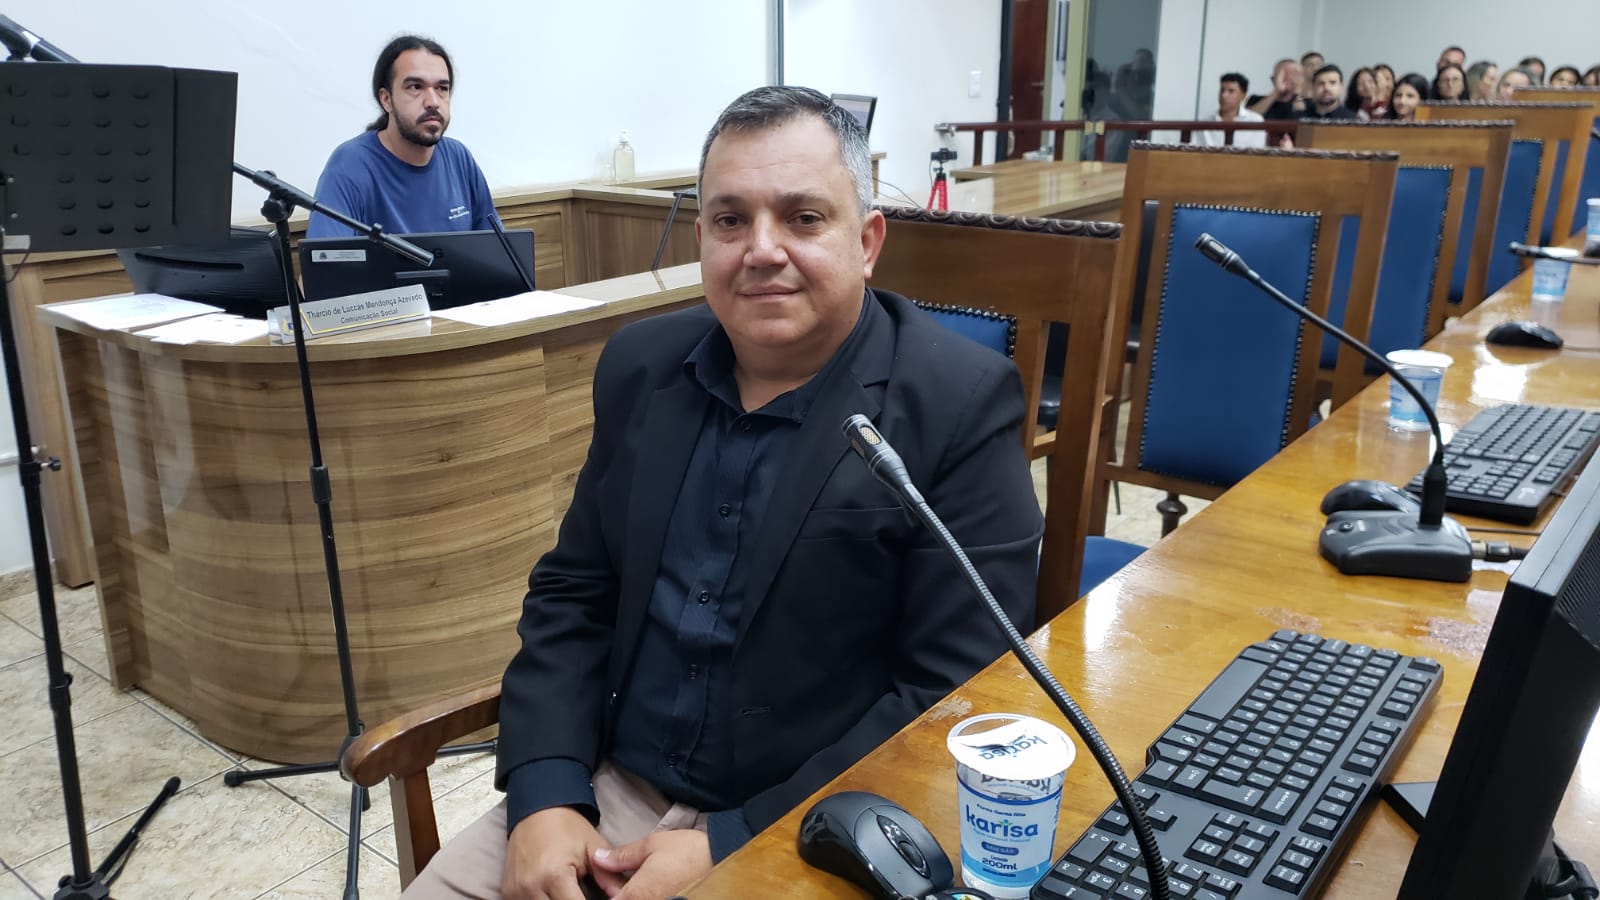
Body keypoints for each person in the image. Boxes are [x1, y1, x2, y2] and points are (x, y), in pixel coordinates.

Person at [401, 85, 1044, 900]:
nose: (761, 250)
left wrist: (734, 841)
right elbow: (575, 592)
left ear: (867, 241)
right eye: (731, 220)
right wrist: (545, 791)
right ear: (701, 239)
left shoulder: (958, 404)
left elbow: (954, 691)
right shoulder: (640, 367)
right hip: (603, 794)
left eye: (803, 218)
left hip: (815, 818)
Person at [307, 35, 497, 238]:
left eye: (442, 88)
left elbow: (498, 248)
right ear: (386, 99)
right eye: (416, 87)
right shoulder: (350, 165)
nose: (433, 102)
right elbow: (325, 255)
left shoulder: (459, 158)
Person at [1197, 72, 1267, 147]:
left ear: (1243, 96)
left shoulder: (1255, 121)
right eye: (1222, 90)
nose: (1224, 95)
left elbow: (1259, 150)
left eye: (1231, 91)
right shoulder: (1205, 122)